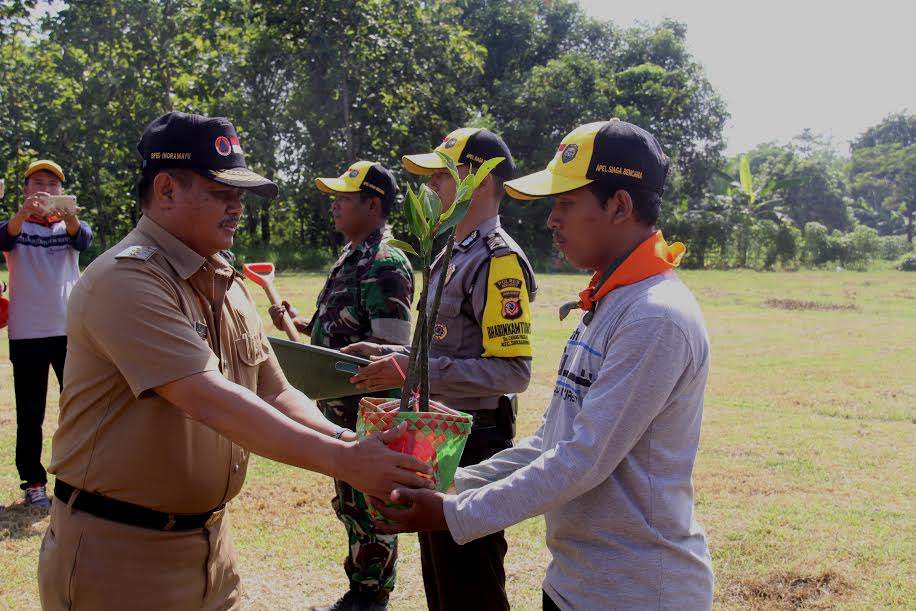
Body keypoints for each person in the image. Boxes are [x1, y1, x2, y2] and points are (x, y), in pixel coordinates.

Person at [37, 112, 432, 611]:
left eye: (240, 195)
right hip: (119, 557)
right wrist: (347, 462)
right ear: (166, 189)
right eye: (222, 192)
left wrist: (348, 443)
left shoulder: (224, 281)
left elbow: (276, 390)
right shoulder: (125, 279)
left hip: (210, 552)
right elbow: (206, 398)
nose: (237, 207)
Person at [371, 119, 715, 610]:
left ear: (619, 205)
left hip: (637, 590)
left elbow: (581, 461)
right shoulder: (608, 303)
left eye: (566, 204)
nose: (552, 220)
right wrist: (450, 482)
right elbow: (552, 442)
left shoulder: (655, 317)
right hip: (577, 582)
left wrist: (453, 512)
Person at [345, 128, 537, 611]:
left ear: (478, 178)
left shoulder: (497, 261)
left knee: (470, 582)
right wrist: (391, 355)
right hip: (439, 436)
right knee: (443, 580)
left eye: (440, 175)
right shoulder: (452, 253)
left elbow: (512, 373)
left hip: (475, 443)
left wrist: (411, 368)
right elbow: (442, 345)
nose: (430, 187)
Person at [268, 160, 413, 611]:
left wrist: (348, 357)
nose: (335, 204)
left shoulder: (386, 260)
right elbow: (345, 329)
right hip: (340, 408)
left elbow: (393, 349)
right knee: (350, 504)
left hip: (369, 410)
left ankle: (371, 597)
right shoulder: (353, 254)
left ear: (373, 205)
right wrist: (302, 324)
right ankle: (361, 590)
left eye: (345, 198)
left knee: (369, 506)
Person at [0, 159, 92, 508]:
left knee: (80, 406)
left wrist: (68, 215)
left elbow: (83, 241)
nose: (45, 190)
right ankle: (34, 484)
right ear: (25, 190)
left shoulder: (69, 227)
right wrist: (22, 214)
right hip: (26, 333)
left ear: (62, 191)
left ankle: (79, 478)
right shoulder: (13, 228)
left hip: (70, 331)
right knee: (30, 412)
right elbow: (2, 237)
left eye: (53, 185)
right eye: (38, 182)